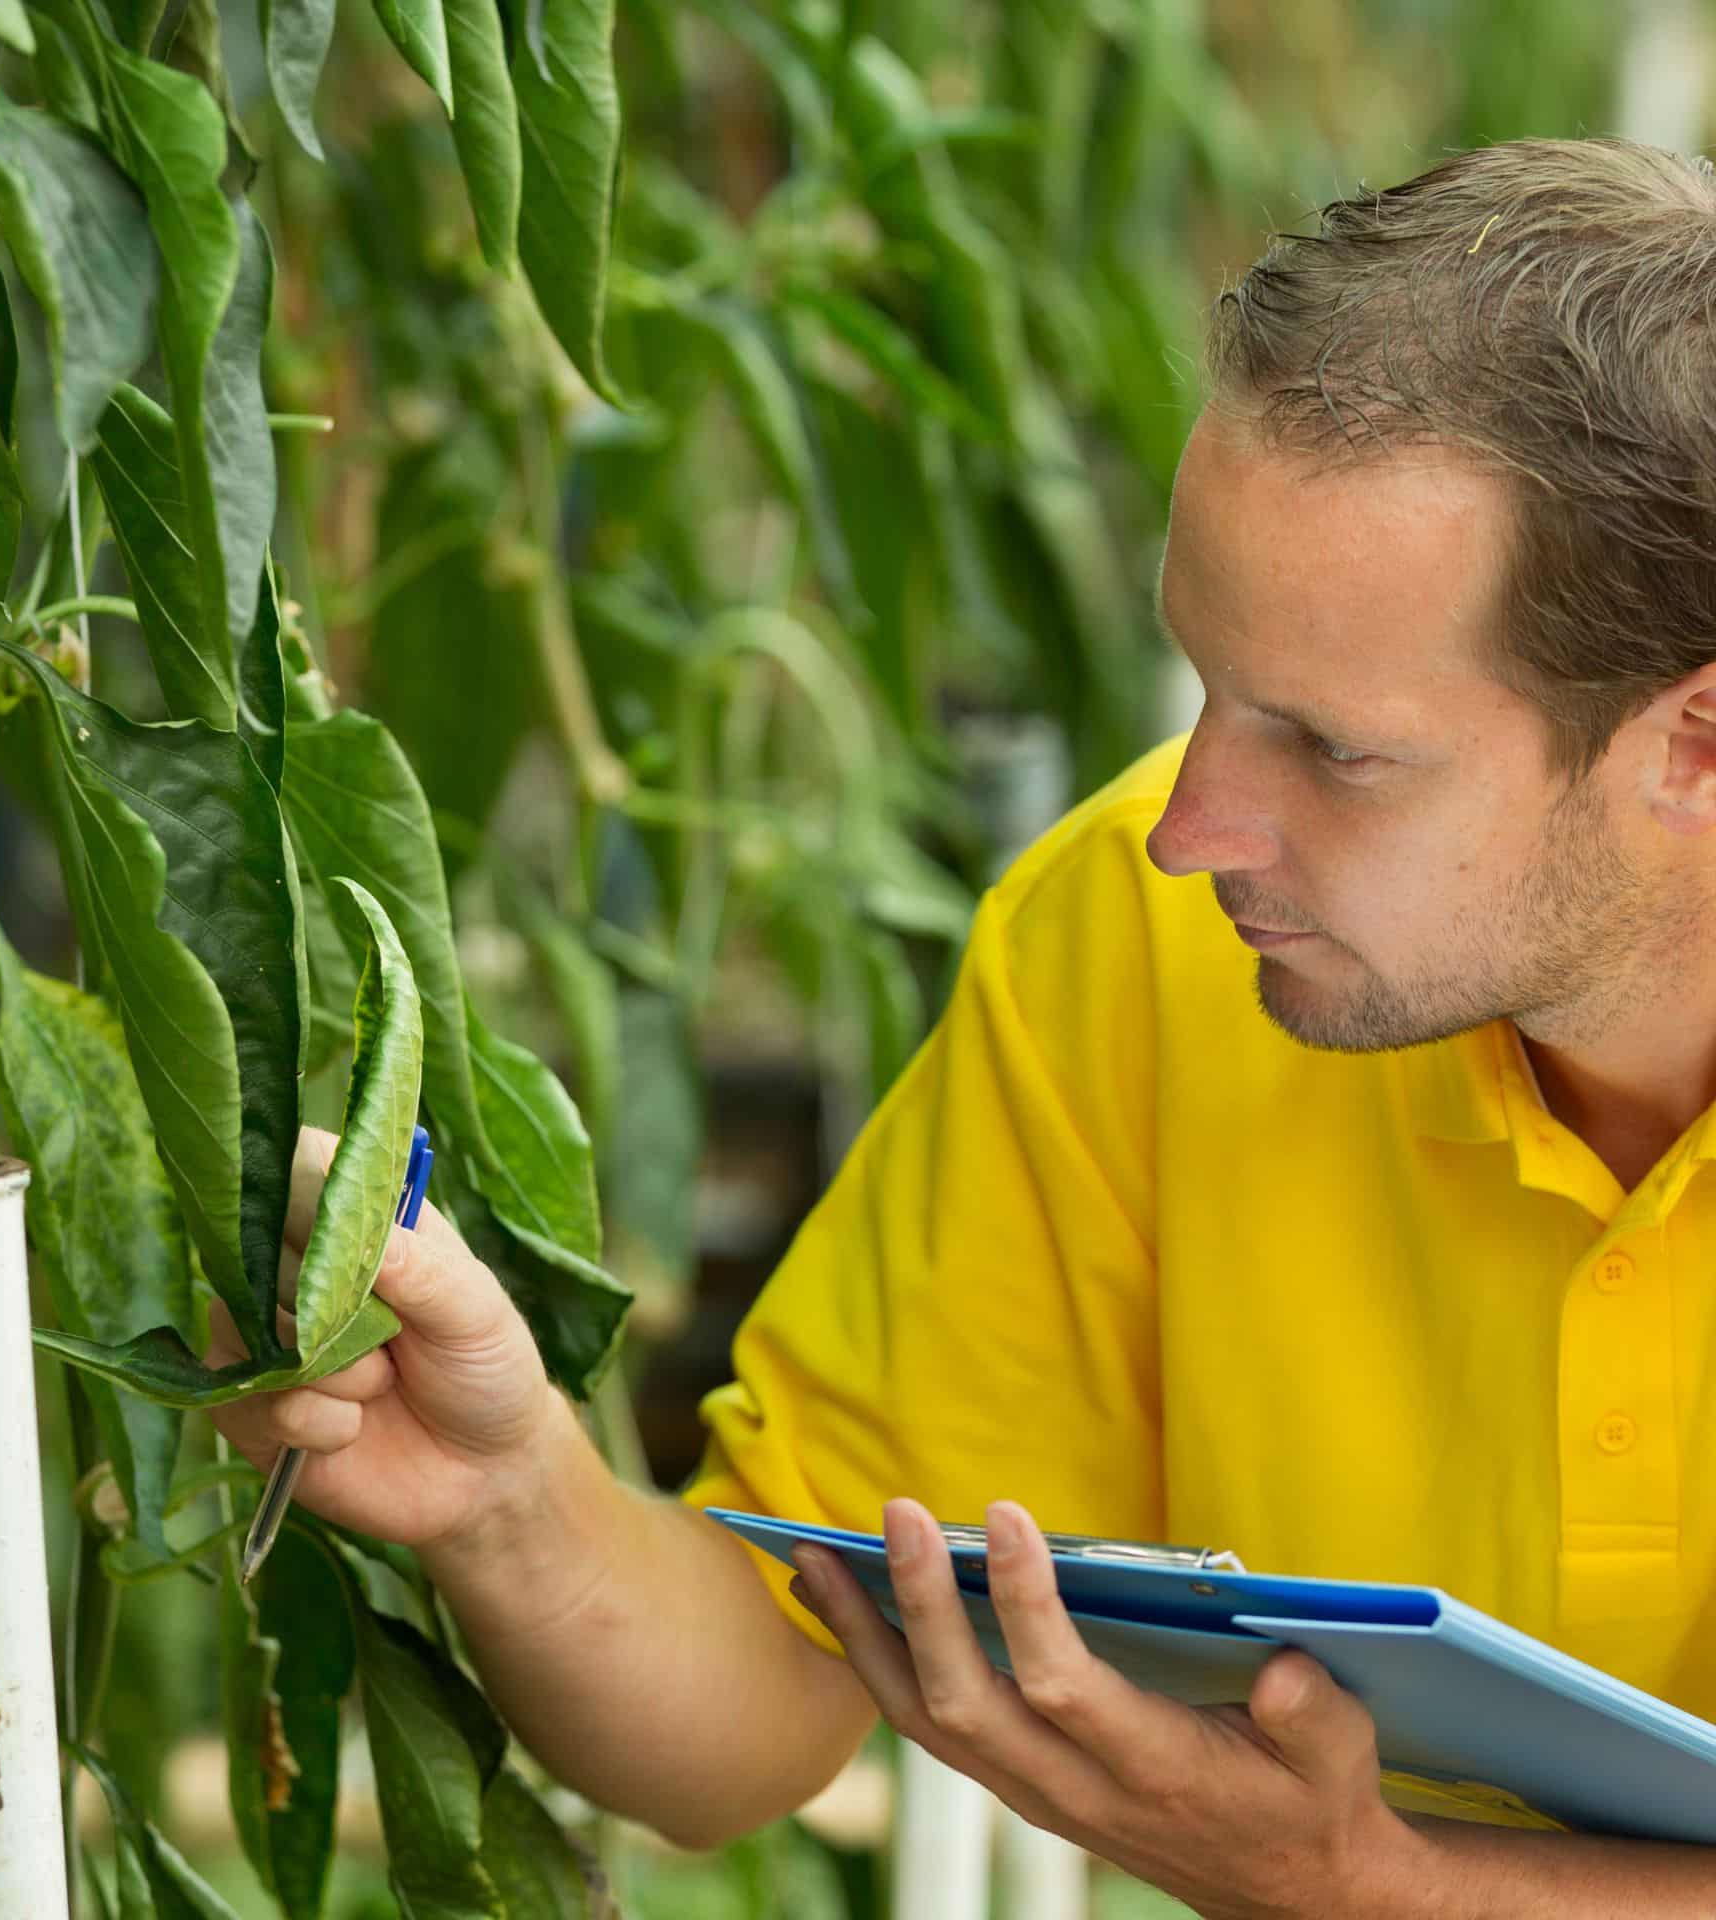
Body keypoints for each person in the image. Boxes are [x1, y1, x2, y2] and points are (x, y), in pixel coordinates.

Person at [210, 136, 1716, 1915]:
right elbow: (763, 1702)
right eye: (1208, 687)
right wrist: (505, 1496)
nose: (1189, 827)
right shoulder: (1142, 945)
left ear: (1688, 744)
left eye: (1335, 750)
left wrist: (1385, 1888)